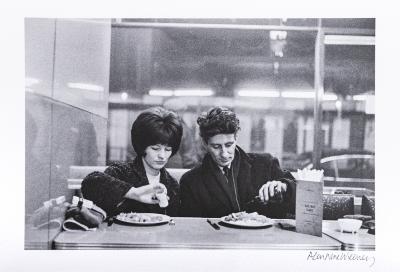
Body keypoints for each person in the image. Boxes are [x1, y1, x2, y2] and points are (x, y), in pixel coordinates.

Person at [179, 106, 296, 218]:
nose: (224, 153)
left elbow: (302, 195)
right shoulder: (191, 182)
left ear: (236, 138)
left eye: (229, 145)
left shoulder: (266, 164)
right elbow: (193, 230)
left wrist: (285, 187)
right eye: (216, 147)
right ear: (205, 144)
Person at [81, 107, 183, 218]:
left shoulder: (172, 185)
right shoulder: (120, 172)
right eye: (155, 148)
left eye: (168, 150)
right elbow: (89, 183)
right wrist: (134, 193)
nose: (162, 156)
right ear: (142, 146)